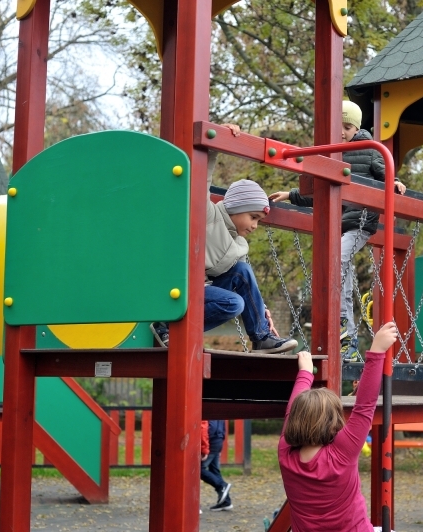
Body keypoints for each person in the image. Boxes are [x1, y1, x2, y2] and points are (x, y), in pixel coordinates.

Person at [269, 101, 406, 362]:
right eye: (338, 127)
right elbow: (321, 192)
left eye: (347, 127)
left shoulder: (368, 150)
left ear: (356, 127)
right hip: (342, 225)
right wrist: (290, 195)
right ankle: (348, 334)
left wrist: (395, 182)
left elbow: (383, 171)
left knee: (337, 261)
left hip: (361, 223)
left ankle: (343, 324)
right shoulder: (333, 155)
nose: (342, 132)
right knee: (339, 268)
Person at [152, 124, 297, 354]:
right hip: (177, 290)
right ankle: (166, 326)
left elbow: (247, 285)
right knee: (233, 303)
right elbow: (200, 182)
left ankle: (261, 337)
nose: (254, 225)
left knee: (242, 271)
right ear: (237, 208)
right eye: (253, 217)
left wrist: (262, 311)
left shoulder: (238, 245)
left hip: (200, 290)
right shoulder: (207, 214)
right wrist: (213, 145)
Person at [278, 321, 398, 531]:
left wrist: (305, 373)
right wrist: (377, 350)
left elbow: (292, 410)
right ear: (333, 424)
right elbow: (365, 406)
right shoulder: (341, 454)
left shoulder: (286, 454)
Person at [201, 420, 233, 511]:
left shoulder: (207, 408)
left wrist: (204, 449)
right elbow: (222, 426)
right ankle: (226, 502)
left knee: (198, 470)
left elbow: (206, 428)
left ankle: (221, 486)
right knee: (214, 471)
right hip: (218, 440)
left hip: (210, 441)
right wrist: (220, 441)